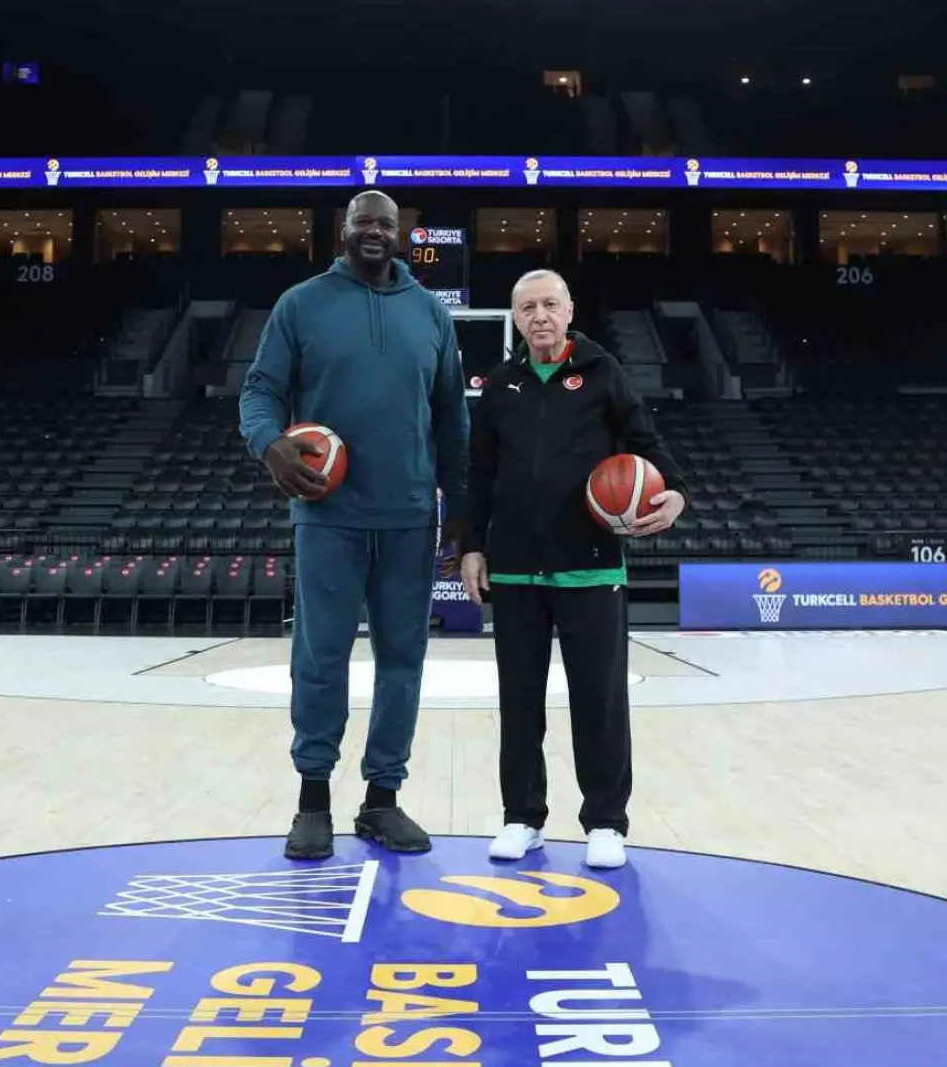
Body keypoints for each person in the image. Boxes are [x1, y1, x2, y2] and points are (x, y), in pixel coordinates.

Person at [240, 191, 469, 860]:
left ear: (401, 235)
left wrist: (459, 507)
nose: (374, 231)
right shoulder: (301, 304)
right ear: (343, 231)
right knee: (320, 657)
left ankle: (382, 800)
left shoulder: (431, 314)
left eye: (386, 224)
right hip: (328, 514)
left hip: (408, 516)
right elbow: (259, 390)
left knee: (403, 661)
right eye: (363, 222)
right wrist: (269, 443)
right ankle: (313, 802)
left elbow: (452, 418)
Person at [460, 270, 685, 870]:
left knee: (599, 700)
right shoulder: (500, 383)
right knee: (519, 702)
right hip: (514, 568)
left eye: (549, 305)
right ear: (515, 318)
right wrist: (471, 546)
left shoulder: (603, 372)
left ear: (569, 311)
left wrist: (676, 493)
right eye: (527, 308)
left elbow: (648, 446)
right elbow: (479, 474)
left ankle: (606, 822)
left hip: (590, 564)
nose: (539, 316)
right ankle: (522, 817)